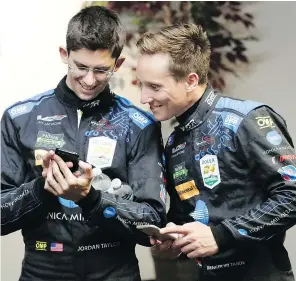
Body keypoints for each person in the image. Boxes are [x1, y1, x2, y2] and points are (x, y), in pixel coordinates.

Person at [1, 6, 167, 281]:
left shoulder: (140, 125)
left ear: (118, 64)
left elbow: (151, 221)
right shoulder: (20, 117)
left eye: (101, 70)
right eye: (81, 67)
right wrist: (43, 188)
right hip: (41, 272)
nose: (89, 80)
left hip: (115, 274)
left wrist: (91, 198)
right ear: (64, 55)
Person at [136, 23, 296, 281]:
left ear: (191, 80)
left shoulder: (247, 119)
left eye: (154, 87)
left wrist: (221, 236)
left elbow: (292, 195)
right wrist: (173, 239)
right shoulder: (175, 141)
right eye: (141, 84)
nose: (144, 97)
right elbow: (187, 217)